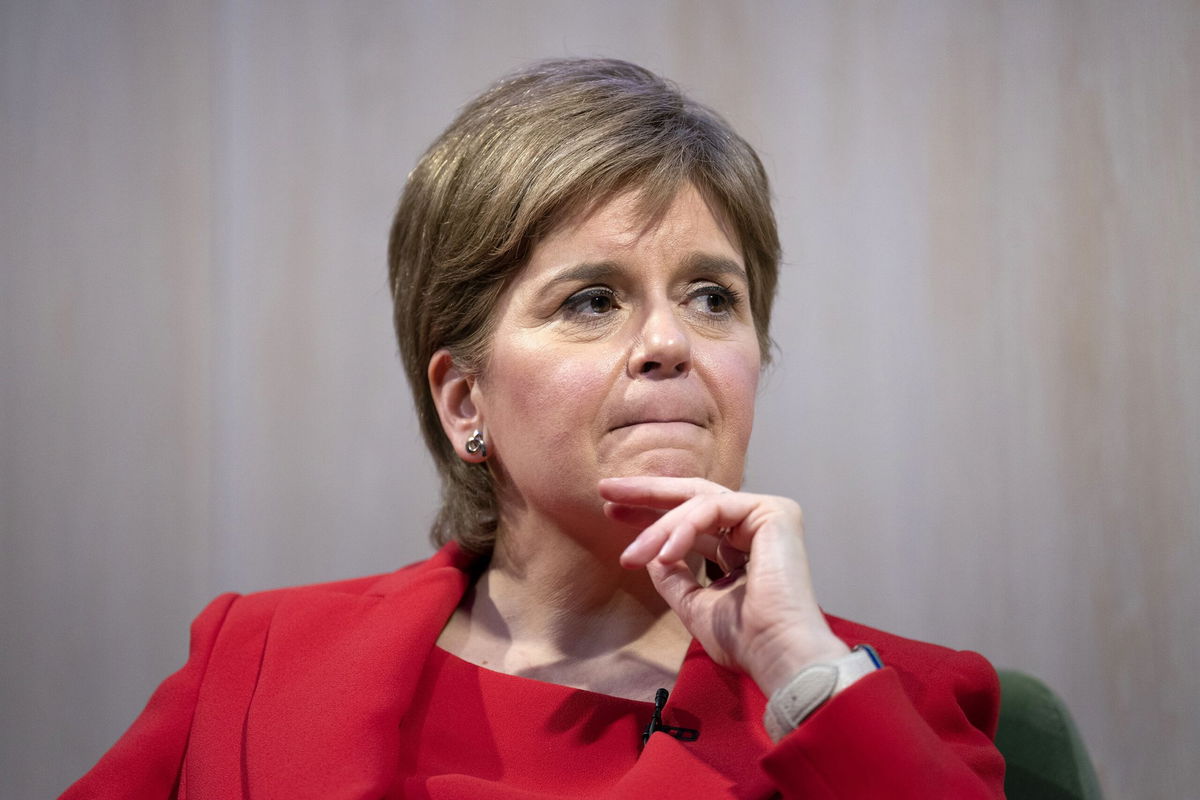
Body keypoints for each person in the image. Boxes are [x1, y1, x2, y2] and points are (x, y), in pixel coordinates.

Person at [63, 58, 1005, 799]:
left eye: (714, 297)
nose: (670, 342)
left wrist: (799, 672)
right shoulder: (260, 659)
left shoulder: (885, 703)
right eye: (594, 301)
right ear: (464, 401)